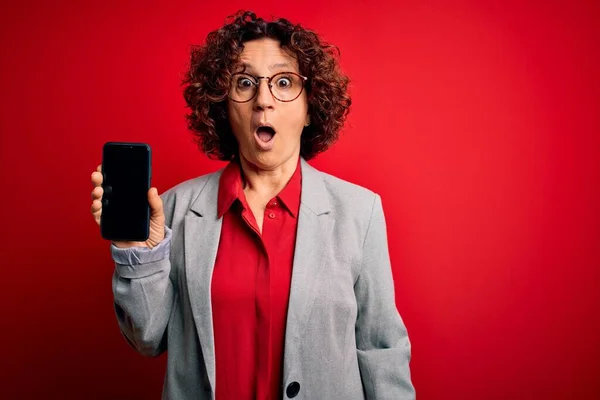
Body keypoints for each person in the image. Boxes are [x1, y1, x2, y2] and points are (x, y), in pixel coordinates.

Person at [90, 10, 414, 400]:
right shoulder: (175, 208)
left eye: (283, 82)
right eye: (244, 83)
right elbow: (148, 338)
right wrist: (136, 252)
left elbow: (382, 352)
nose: (263, 100)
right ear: (224, 107)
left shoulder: (360, 212)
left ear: (311, 107)